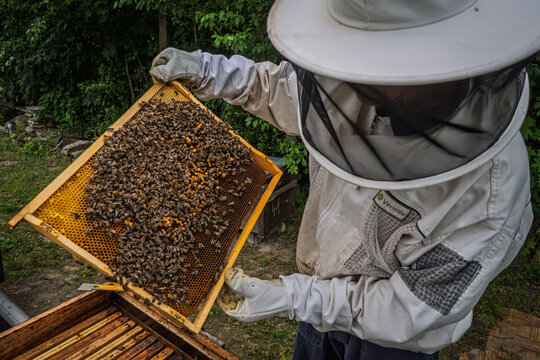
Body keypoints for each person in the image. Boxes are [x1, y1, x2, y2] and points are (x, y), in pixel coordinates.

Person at [149, 0, 539, 358]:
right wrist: (208, 71)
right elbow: (282, 91)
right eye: (354, 67)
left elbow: (409, 308)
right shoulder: (355, 86)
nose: (360, 95)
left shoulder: (490, 192)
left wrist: (293, 299)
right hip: (316, 309)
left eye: (376, 77)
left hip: (392, 346)